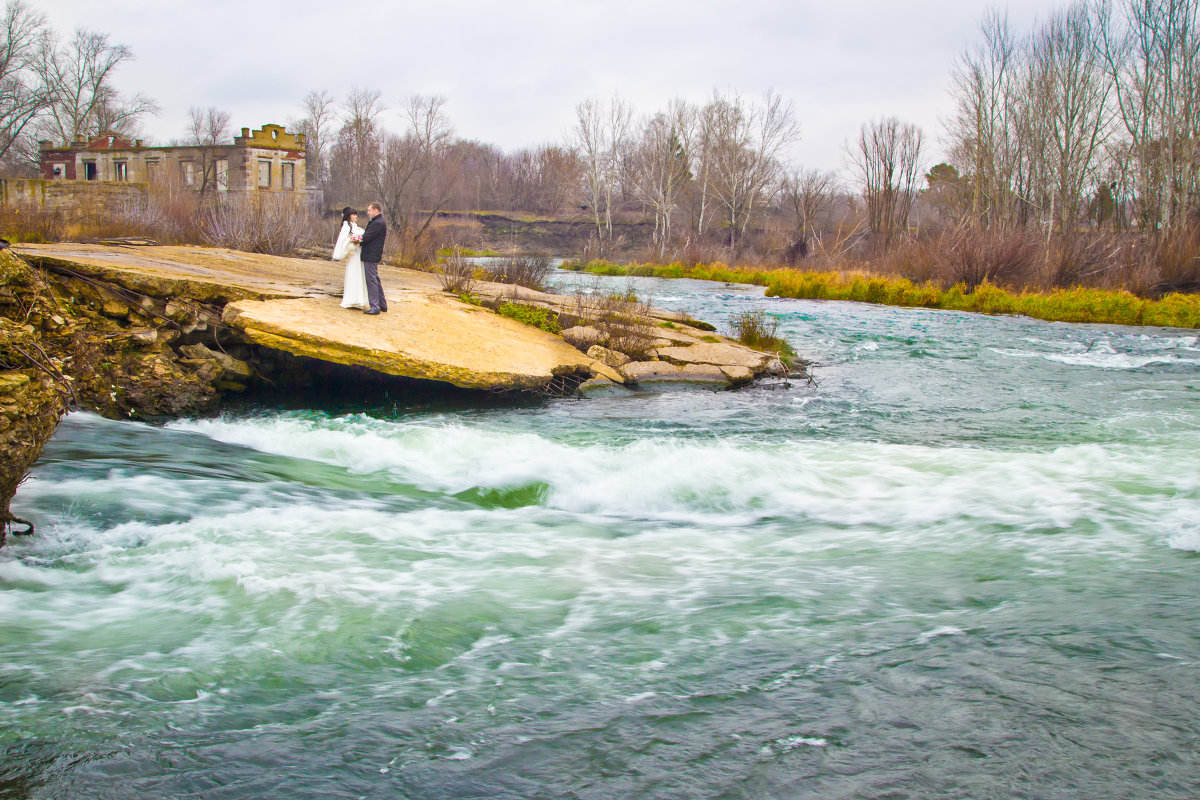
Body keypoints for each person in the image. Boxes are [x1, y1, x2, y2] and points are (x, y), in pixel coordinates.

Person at [333, 207, 368, 310]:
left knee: (359, 274)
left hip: (358, 253)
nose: (355, 216)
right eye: (353, 215)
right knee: (353, 273)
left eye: (356, 214)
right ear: (349, 216)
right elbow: (344, 239)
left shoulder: (354, 225)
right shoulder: (346, 226)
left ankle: (358, 299)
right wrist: (353, 242)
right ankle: (351, 299)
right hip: (353, 253)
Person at [359, 202, 388, 315]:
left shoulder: (377, 223)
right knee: (375, 279)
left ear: (376, 210)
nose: (368, 212)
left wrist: (358, 241)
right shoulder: (379, 222)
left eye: (369, 210)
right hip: (373, 254)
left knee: (371, 280)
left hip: (371, 255)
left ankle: (375, 306)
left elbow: (366, 237)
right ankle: (382, 304)